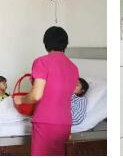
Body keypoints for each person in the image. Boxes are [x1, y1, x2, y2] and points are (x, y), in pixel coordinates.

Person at [15, 26, 79, 156]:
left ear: (46, 43)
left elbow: (36, 95)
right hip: (65, 122)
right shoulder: (73, 67)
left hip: (45, 121)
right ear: (65, 44)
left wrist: (20, 99)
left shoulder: (42, 62)